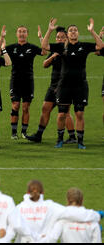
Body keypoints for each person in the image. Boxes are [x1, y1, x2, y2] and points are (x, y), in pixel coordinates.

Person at [41, 18, 103, 149]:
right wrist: (49, 30)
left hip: (80, 85)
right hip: (64, 86)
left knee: (79, 113)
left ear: (78, 33)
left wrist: (92, 31)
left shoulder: (84, 46)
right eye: (70, 30)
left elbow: (101, 46)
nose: (73, 32)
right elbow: (44, 46)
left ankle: (80, 141)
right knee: (62, 113)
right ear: (67, 35)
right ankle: (59, 139)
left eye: (75, 30)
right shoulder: (62, 46)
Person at [26, 27, 77, 143]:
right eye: (58, 37)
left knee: (65, 112)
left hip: (64, 88)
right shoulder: (55, 51)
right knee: (45, 108)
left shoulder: (69, 51)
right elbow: (44, 64)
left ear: (67, 39)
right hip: (53, 86)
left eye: (62, 37)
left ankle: (72, 137)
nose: (59, 39)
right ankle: (38, 135)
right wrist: (53, 56)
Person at [0, 25, 46, 140]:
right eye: (20, 32)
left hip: (28, 81)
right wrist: (1, 37)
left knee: (25, 107)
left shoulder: (31, 47)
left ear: (27, 34)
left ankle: (23, 132)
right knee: (15, 105)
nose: (22, 34)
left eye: (24, 32)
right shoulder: (12, 47)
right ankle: (14, 132)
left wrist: (40, 38)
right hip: (15, 80)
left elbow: (44, 52)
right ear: (16, 34)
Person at [13, 180, 100, 243]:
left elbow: (9, 231)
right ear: (43, 192)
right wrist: (96, 215)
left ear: (27, 192)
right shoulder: (51, 207)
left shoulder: (18, 209)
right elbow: (73, 213)